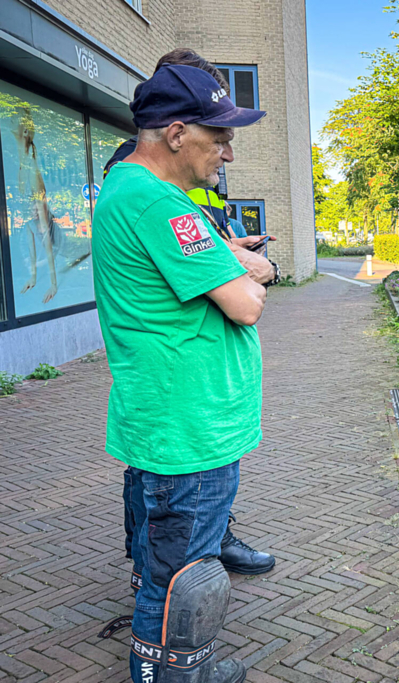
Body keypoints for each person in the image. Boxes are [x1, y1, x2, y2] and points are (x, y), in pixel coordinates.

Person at [92, 64, 273, 683]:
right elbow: (245, 304)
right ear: (175, 133)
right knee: (183, 578)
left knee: (160, 562)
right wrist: (246, 271)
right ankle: (174, 677)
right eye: (218, 137)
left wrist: (229, 263)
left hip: (167, 415)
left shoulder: (125, 187)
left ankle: (169, 669)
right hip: (188, 424)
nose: (228, 151)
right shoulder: (162, 204)